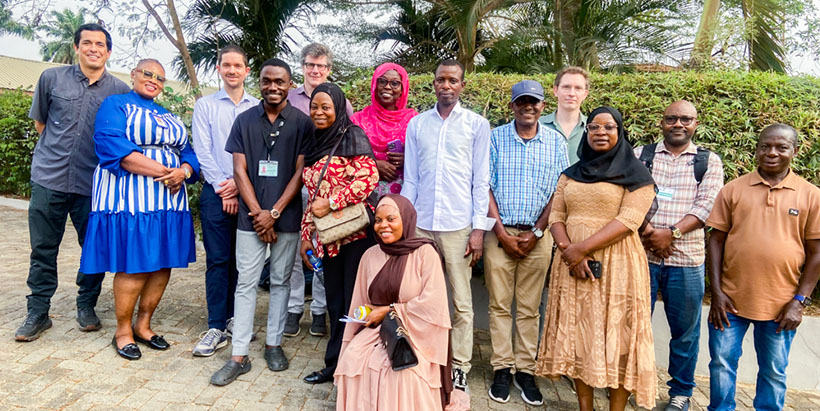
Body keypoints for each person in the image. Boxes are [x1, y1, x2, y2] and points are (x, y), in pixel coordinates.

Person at [536, 106, 658, 410]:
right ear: (586, 132)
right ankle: (585, 407)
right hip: (572, 266)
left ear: (620, 132)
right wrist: (569, 251)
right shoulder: (571, 173)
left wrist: (581, 249)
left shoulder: (638, 175)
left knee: (619, 337)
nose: (600, 132)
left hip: (619, 265)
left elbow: (629, 219)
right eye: (593, 127)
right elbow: (556, 216)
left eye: (608, 127)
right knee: (580, 335)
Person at [15, 23, 130, 341]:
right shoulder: (51, 78)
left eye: (101, 44)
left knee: (93, 248)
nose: (94, 48)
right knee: (42, 249)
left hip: (94, 184)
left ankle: (86, 305)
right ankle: (38, 311)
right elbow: (41, 122)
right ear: (77, 47)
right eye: (88, 43)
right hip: (49, 179)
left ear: (108, 51)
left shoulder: (119, 92)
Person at [79, 59, 200, 360]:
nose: (153, 80)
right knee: (134, 263)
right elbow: (112, 146)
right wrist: (165, 171)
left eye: (160, 77)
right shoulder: (116, 104)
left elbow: (189, 153)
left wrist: (184, 171)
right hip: (130, 198)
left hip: (169, 200)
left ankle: (143, 325)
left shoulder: (170, 115)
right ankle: (122, 330)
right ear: (133, 74)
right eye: (147, 73)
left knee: (162, 263)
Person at [209, 58, 313, 385]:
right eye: (267, 81)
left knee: (282, 282)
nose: (272, 87)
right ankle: (239, 355)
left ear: (289, 83)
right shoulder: (243, 121)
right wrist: (258, 214)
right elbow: (239, 170)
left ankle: (274, 344)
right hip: (250, 220)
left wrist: (275, 213)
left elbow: (300, 172)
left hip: (287, 217)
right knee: (246, 283)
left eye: (279, 82)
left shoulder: (302, 123)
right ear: (260, 82)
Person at [706, 124, 820, 411]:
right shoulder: (733, 190)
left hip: (781, 305)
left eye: (781, 147)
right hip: (730, 301)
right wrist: (717, 292)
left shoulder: (810, 195)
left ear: (794, 151)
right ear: (756, 149)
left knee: (773, 372)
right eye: (765, 146)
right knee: (721, 366)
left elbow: (817, 253)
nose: (772, 153)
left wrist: (799, 301)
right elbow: (715, 241)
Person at [401, 59, 494, 391]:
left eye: (453, 80)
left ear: (462, 86)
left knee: (461, 301)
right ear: (434, 83)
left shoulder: (476, 125)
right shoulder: (417, 125)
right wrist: (406, 224)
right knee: (418, 295)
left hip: (458, 226)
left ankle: (460, 367)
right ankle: (422, 358)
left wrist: (479, 229)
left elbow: (480, 181)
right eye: (441, 79)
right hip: (422, 224)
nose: (446, 85)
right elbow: (410, 179)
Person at [335, 194, 469, 410]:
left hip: (415, 335)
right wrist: (354, 333)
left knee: (402, 372)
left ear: (406, 220)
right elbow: (358, 303)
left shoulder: (426, 253)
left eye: (391, 219)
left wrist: (389, 311)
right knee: (354, 360)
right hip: (375, 332)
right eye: (378, 220)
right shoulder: (369, 255)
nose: (383, 226)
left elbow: (433, 306)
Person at [634, 100, 724, 411]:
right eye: (671, 118)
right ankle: (635, 383)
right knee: (634, 324)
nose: (678, 124)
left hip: (686, 260)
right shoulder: (641, 155)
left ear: (695, 123)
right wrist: (649, 232)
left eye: (685, 119)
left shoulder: (708, 161)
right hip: (642, 256)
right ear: (662, 121)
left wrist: (668, 234)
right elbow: (627, 196)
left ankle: (681, 392)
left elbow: (706, 206)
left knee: (684, 332)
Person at [484, 80, 568, 406]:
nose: (528, 107)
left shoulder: (556, 143)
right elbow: (485, 187)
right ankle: (501, 368)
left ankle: (525, 370)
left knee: (530, 308)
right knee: (500, 305)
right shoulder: (495, 138)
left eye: (533, 102)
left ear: (543, 106)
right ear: (513, 106)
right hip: (499, 233)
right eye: (522, 102)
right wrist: (502, 233)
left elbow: (559, 193)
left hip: (538, 236)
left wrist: (536, 232)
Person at [300, 83, 379, 385]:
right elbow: (312, 195)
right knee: (335, 303)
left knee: (355, 302)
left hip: (356, 238)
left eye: (326, 107)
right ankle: (334, 366)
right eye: (314, 107)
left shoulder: (353, 136)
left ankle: (357, 369)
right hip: (328, 240)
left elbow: (369, 178)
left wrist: (333, 203)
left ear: (338, 108)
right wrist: (306, 235)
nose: (319, 112)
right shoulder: (314, 141)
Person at [190, 45, 259, 357]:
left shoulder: (257, 107)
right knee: (218, 259)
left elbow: (260, 154)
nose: (232, 70)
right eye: (226, 65)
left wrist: (238, 185)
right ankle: (216, 324)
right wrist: (224, 186)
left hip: (249, 193)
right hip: (216, 193)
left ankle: (235, 319)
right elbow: (203, 151)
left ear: (246, 70)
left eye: (238, 66)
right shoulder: (205, 106)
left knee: (243, 262)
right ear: (219, 69)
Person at [282, 42, 354, 338]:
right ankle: (294, 308)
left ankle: (320, 310)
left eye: (321, 66)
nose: (315, 70)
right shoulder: (288, 98)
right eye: (310, 65)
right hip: (292, 186)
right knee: (297, 248)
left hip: (327, 191)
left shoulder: (342, 102)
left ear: (329, 69)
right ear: (303, 67)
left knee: (325, 244)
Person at [350, 62, 418, 197]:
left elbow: (425, 157)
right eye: (382, 81)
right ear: (375, 85)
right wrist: (374, 165)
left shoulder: (414, 120)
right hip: (364, 194)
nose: (387, 87)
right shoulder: (358, 120)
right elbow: (345, 158)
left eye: (395, 83)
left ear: (402, 90)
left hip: (404, 195)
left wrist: (407, 159)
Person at [540, 66, 590, 165]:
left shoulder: (593, 128)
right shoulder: (537, 126)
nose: (571, 93)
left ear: (585, 94)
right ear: (555, 90)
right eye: (566, 87)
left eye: (578, 88)